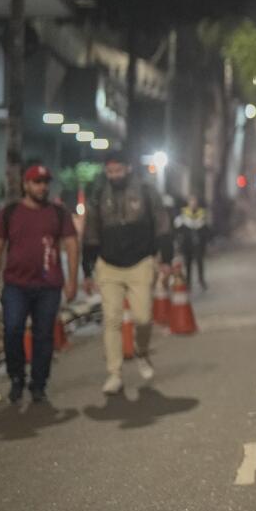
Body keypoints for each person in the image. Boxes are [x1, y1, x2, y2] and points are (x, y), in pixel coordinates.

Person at [0, 165, 78, 404]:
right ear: (26, 185)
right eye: (36, 182)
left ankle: (39, 383)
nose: (42, 187)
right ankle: (16, 377)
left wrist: (72, 281)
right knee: (13, 329)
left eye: (45, 182)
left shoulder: (58, 213)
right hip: (16, 284)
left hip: (49, 285)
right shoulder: (10, 212)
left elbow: (71, 245)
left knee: (44, 335)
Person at [81, 151, 174, 394]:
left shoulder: (146, 190)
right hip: (108, 264)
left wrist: (166, 257)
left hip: (141, 262)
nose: (114, 176)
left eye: (118, 170)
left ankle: (141, 351)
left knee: (143, 317)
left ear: (128, 168)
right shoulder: (99, 194)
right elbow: (90, 231)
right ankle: (115, 373)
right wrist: (87, 271)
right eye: (110, 172)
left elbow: (162, 221)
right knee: (111, 319)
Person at [174, 196, 210, 290]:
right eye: (191, 201)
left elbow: (206, 229)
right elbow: (177, 227)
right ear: (188, 202)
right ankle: (188, 282)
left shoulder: (202, 213)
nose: (193, 203)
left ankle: (201, 280)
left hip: (199, 243)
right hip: (187, 243)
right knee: (188, 263)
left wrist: (206, 240)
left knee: (199, 262)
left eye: (195, 201)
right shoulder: (183, 214)